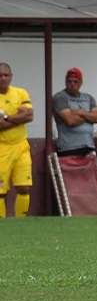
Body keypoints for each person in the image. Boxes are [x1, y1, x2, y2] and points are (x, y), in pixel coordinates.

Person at [0, 62, 34, 218]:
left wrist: (6, 117)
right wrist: (19, 118)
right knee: (0, 190)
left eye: (6, 75)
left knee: (24, 187)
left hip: (21, 146)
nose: (3, 78)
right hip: (2, 147)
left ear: (11, 76)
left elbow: (29, 116)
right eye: (0, 76)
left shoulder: (21, 93)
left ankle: (22, 221)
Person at [52, 68, 97, 157]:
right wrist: (90, 116)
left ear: (81, 83)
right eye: (69, 82)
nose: (72, 85)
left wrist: (81, 113)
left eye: (76, 82)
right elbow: (70, 120)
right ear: (65, 82)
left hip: (89, 146)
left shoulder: (88, 98)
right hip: (69, 148)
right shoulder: (60, 98)